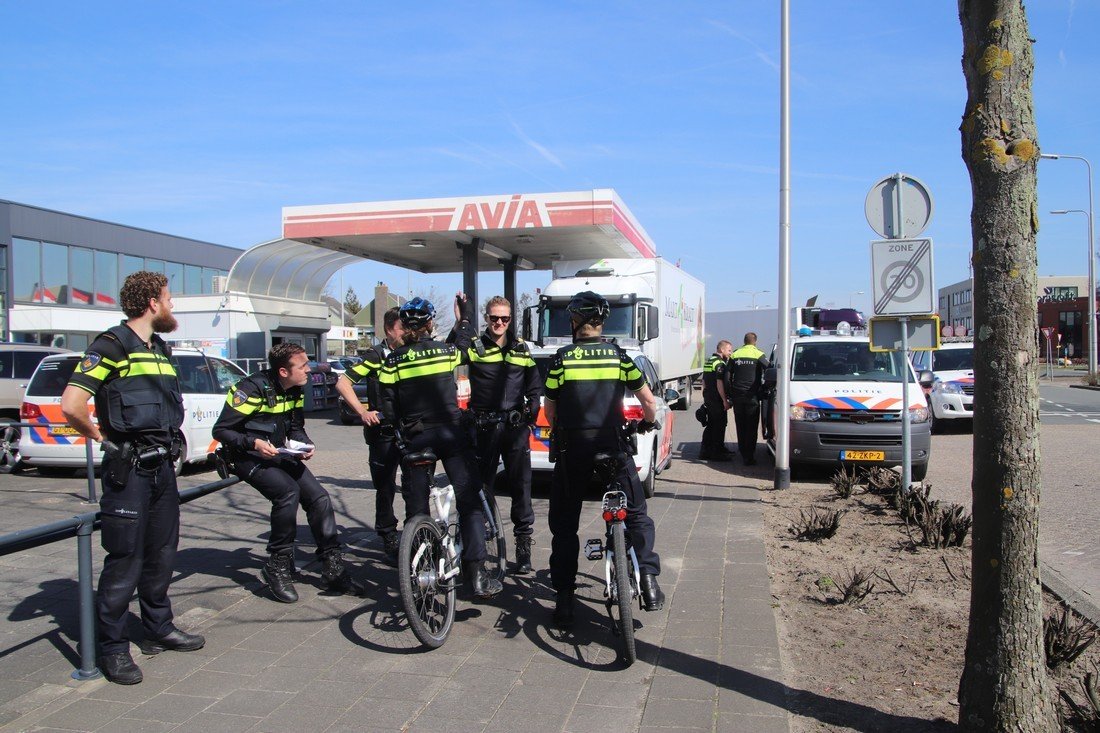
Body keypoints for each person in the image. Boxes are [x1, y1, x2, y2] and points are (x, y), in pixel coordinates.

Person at [60, 271, 204, 685]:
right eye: (169, 298)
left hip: (162, 470)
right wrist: (104, 440)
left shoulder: (160, 348)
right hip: (130, 471)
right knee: (125, 561)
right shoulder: (111, 345)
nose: (172, 305)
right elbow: (72, 405)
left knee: (162, 553)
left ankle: (158, 628)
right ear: (152, 303)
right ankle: (114, 649)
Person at [543, 290, 663, 628]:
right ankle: (649, 582)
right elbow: (649, 402)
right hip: (613, 447)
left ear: (577, 321)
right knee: (636, 514)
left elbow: (549, 409)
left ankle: (565, 600)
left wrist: (561, 430)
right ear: (601, 322)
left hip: (574, 451)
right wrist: (648, 422)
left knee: (565, 525)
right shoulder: (620, 357)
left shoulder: (562, 359)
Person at [212, 343, 366, 604]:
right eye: (303, 365)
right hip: (245, 456)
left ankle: (332, 567)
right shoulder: (250, 389)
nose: (309, 369)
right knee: (287, 493)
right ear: (283, 371)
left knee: (319, 498)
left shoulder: (295, 388)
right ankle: (277, 565)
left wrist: (304, 444)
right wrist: (254, 444)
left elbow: (295, 427)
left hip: (280, 452)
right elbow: (221, 431)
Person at [378, 297, 503, 599]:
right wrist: (464, 319)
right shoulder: (447, 353)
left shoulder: (391, 361)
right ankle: (477, 574)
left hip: (416, 439)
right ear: (431, 323)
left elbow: (388, 408)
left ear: (404, 326)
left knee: (416, 507)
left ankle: (422, 568)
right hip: (450, 434)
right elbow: (473, 350)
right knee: (469, 499)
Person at [450, 294, 540, 574]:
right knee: (481, 487)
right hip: (483, 428)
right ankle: (476, 538)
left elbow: (534, 386)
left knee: (521, 487)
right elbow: (451, 354)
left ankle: (523, 547)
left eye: (505, 318)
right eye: (494, 318)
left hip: (514, 430)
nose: (499, 322)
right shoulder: (476, 347)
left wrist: (531, 412)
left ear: (511, 319)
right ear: (486, 318)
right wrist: (460, 323)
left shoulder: (521, 348)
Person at [335, 308, 406, 561]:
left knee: (415, 485)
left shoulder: (411, 352)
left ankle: (415, 534)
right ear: (389, 330)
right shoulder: (375, 356)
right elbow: (343, 383)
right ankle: (388, 534)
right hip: (383, 434)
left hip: (410, 431)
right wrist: (363, 412)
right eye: (402, 328)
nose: (407, 333)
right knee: (385, 487)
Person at [726, 332, 770, 465]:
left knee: (740, 425)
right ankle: (749, 456)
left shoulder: (735, 354)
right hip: (752, 396)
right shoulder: (758, 354)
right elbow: (769, 370)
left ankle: (742, 451)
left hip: (737, 396)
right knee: (751, 426)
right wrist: (764, 388)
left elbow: (727, 377)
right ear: (755, 342)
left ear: (744, 341)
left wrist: (730, 394)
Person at [699, 340, 733, 461]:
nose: (730, 353)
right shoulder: (720, 364)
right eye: (729, 350)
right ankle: (717, 453)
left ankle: (705, 450)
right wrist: (725, 400)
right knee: (719, 425)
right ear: (722, 350)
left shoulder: (709, 361)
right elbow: (720, 383)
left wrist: (706, 395)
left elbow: (704, 381)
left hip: (709, 397)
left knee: (711, 425)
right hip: (717, 399)